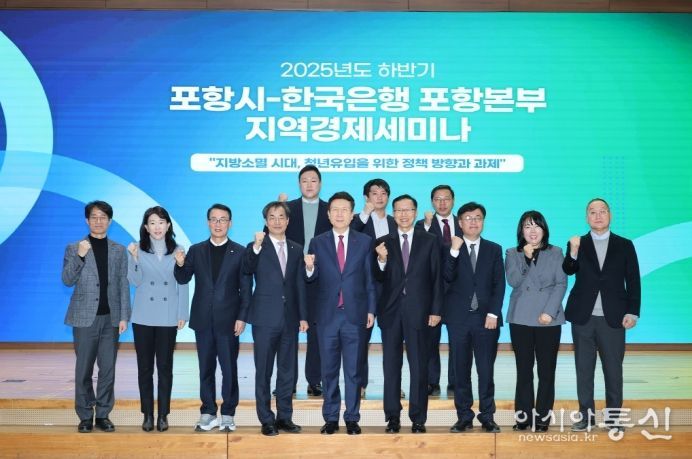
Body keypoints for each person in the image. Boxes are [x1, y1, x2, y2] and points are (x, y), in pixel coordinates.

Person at [562, 198, 641, 432]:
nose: (598, 216)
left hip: (614, 317)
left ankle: (613, 418)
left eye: (602, 211)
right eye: (593, 212)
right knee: (584, 369)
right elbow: (568, 270)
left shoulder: (624, 245)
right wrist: (573, 252)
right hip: (583, 317)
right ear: (586, 217)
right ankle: (586, 417)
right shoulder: (577, 243)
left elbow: (633, 280)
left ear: (610, 215)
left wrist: (633, 312)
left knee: (613, 371)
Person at [174, 203, 251, 432]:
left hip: (229, 320)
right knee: (205, 368)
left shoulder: (240, 252)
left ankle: (228, 413)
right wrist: (180, 264)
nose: (218, 224)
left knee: (229, 369)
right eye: (214, 219)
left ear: (230, 223)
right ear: (208, 223)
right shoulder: (196, 250)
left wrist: (242, 317)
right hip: (203, 320)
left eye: (223, 219)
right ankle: (207, 411)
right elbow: (183, 278)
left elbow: (246, 288)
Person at [304, 191, 376, 435]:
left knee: (354, 371)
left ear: (352, 213)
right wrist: (309, 268)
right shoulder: (318, 242)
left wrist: (371, 309)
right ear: (328, 214)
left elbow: (369, 280)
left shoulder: (364, 242)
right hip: (327, 316)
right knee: (329, 370)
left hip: (355, 315)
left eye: (344, 209)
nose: (339, 214)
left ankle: (352, 417)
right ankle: (331, 417)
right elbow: (311, 278)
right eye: (335, 209)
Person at [373, 194, 442, 434]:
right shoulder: (383, 242)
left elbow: (436, 278)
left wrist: (436, 310)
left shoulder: (430, 240)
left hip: (420, 312)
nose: (403, 214)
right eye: (399, 210)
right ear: (393, 214)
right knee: (391, 367)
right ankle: (392, 417)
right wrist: (381, 260)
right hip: (391, 312)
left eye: (408, 210)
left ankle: (418, 418)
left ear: (415, 212)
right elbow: (377, 278)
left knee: (419, 368)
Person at [61, 200, 130, 433]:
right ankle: (84, 415)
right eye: (94, 217)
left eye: (103, 217)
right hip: (84, 319)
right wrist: (80, 257)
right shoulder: (75, 248)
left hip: (111, 319)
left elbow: (122, 284)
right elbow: (67, 279)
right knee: (84, 369)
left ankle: (103, 414)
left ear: (110, 221)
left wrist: (124, 316)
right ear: (87, 220)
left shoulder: (119, 250)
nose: (98, 221)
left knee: (108, 369)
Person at [243, 201, 309, 436]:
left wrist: (303, 316)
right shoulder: (256, 246)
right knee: (263, 371)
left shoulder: (296, 248)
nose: (277, 221)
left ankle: (284, 417)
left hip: (289, 319)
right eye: (272, 217)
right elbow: (247, 268)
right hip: (264, 318)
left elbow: (299, 284)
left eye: (281, 217)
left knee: (287, 371)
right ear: (266, 221)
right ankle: (266, 419)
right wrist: (256, 247)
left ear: (288, 221)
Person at [443, 202, 505, 433]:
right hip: (458, 319)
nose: (473, 222)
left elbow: (499, 284)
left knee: (486, 371)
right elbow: (445, 278)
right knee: (461, 371)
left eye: (478, 217)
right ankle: (464, 416)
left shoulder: (493, 249)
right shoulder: (449, 248)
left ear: (483, 222)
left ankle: (487, 416)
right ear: (459, 223)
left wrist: (493, 313)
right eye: (468, 218)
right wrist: (453, 251)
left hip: (486, 319)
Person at [127, 206, 189, 432]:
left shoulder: (179, 250)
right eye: (152, 222)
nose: (157, 227)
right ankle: (147, 414)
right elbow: (134, 281)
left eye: (161, 222)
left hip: (168, 315)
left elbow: (183, 282)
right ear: (146, 227)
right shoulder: (136, 249)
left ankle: (163, 414)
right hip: (143, 315)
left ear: (168, 225)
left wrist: (182, 313)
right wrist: (134, 259)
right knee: (144, 368)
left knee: (165, 367)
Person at [505, 210, 566, 432]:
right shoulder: (512, 253)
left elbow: (561, 283)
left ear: (544, 229)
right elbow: (513, 281)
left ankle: (542, 418)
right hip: (521, 317)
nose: (532, 231)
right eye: (527, 226)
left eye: (536, 226)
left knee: (547, 371)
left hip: (548, 318)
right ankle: (523, 417)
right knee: (524, 370)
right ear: (521, 231)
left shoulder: (556, 252)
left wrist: (549, 312)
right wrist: (525, 257)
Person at [278, 164, 331, 397]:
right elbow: (270, 235)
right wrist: (278, 207)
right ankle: (287, 382)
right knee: (287, 332)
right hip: (290, 277)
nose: (309, 184)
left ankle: (314, 380)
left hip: (320, 279)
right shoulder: (286, 209)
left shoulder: (331, 209)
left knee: (316, 333)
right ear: (299, 184)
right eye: (304, 180)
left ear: (320, 184)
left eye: (313, 180)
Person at [350, 178, 397, 397]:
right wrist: (364, 214)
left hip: (390, 288)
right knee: (361, 341)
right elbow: (350, 238)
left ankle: (394, 386)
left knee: (393, 342)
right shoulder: (357, 220)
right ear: (366, 197)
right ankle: (359, 384)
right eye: (374, 193)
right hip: (365, 288)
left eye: (383, 193)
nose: (379, 197)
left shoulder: (396, 221)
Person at [415, 184, 462, 395]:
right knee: (430, 340)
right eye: (437, 199)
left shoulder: (463, 223)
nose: (442, 203)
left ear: (453, 201)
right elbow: (419, 250)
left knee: (458, 340)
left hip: (457, 291)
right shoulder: (421, 225)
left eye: (446, 198)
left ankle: (456, 381)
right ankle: (431, 381)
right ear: (432, 202)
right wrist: (427, 225)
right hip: (431, 291)